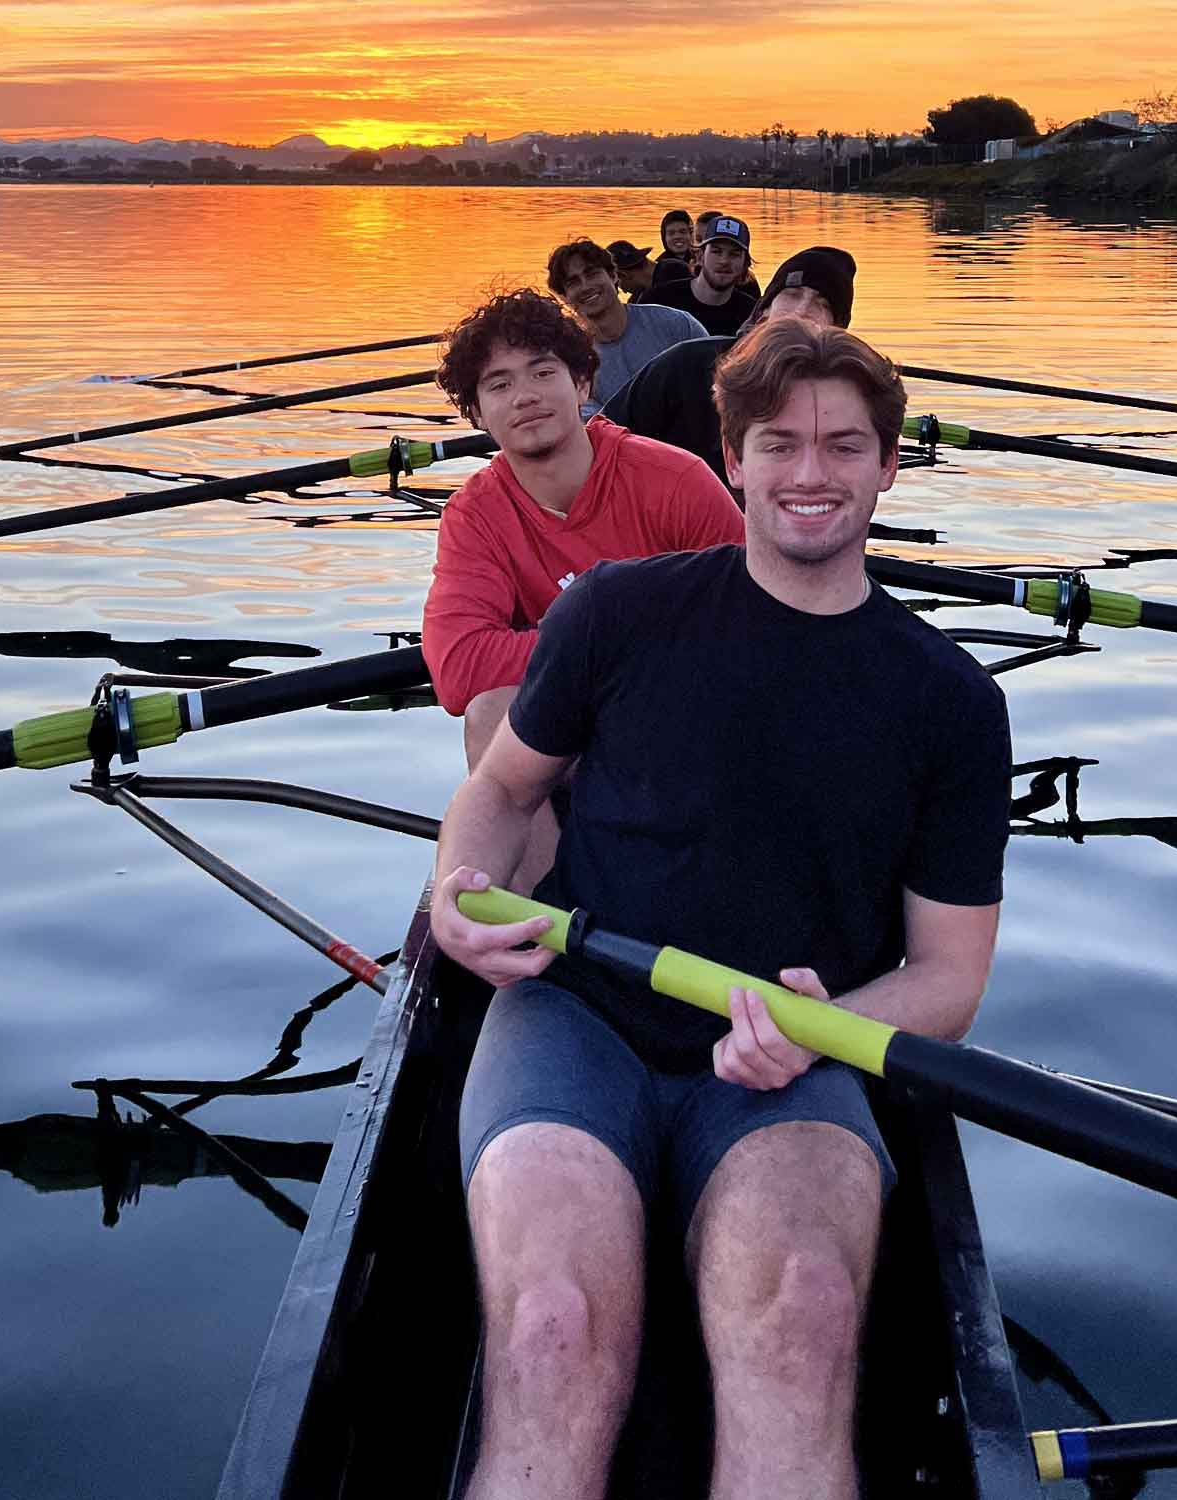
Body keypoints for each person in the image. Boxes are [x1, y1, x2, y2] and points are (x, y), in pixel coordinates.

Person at [430, 317, 1011, 1500]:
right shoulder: (614, 616)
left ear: (890, 467)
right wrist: (455, 902)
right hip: (578, 1016)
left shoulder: (950, 701)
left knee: (802, 1322)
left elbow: (947, 982)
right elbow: (499, 790)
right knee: (547, 1323)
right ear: (730, 461)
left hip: (791, 1052)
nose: (811, 475)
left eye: (846, 447)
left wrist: (820, 1025)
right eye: (779, 445)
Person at [422, 287, 743, 884]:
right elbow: (459, 669)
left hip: (686, 723)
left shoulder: (676, 480)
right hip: (572, 737)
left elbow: (758, 626)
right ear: (475, 415)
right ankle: (546, 934)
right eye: (499, 385)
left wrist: (586, 651)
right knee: (490, 713)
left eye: (544, 371)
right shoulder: (475, 515)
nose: (525, 396)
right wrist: (616, 640)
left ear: (582, 384)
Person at [604, 244, 857, 488]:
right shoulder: (688, 364)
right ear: (764, 310)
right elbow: (601, 438)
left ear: (836, 330)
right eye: (792, 295)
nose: (802, 311)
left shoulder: (838, 403)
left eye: (822, 304)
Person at [546, 237, 705, 414]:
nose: (586, 286)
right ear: (564, 297)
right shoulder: (572, 362)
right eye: (573, 282)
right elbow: (595, 426)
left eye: (592, 274)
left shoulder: (677, 325)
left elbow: (719, 382)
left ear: (614, 276)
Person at [647, 214, 758, 337]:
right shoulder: (658, 300)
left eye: (734, 254)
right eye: (716, 251)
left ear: (745, 264)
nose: (724, 261)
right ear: (700, 256)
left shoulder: (752, 315)